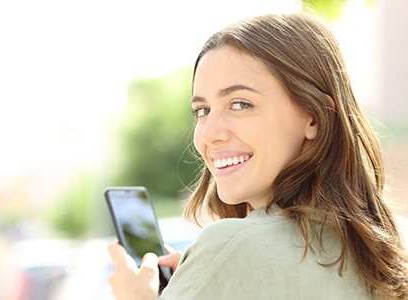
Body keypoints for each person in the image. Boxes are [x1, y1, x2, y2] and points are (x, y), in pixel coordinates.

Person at [107, 12, 408, 299]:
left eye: (240, 104)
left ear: (314, 117)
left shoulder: (231, 247)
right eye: (202, 110)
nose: (209, 134)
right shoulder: (396, 247)